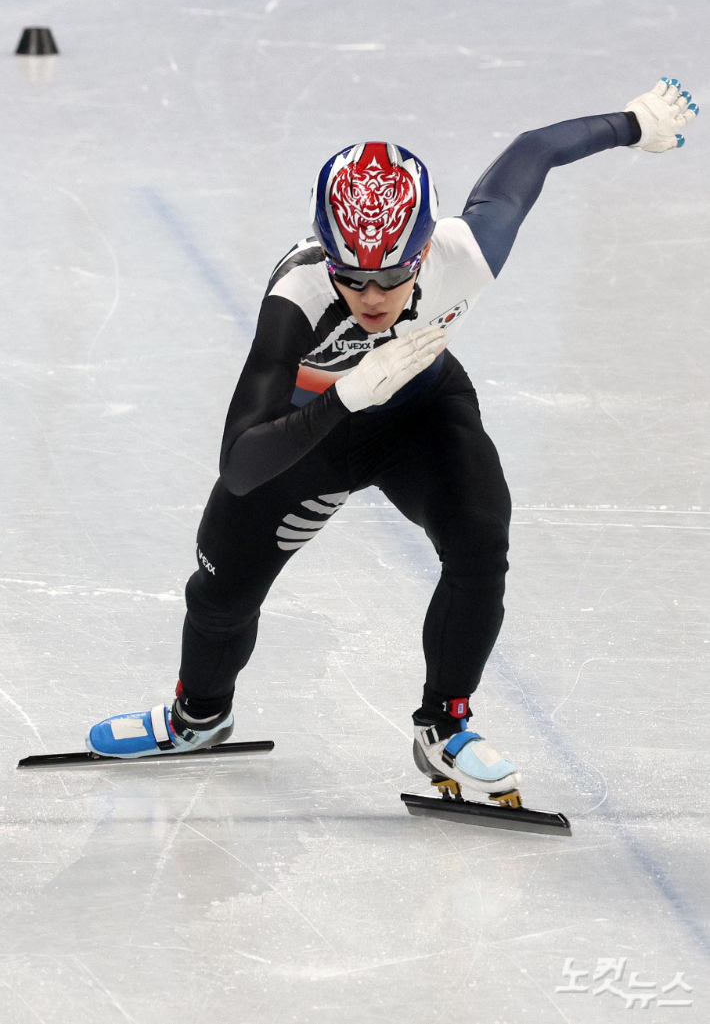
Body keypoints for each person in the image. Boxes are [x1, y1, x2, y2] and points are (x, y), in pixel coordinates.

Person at [87, 79, 698, 800]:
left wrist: (632, 123)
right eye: (352, 276)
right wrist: (344, 394)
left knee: (480, 542)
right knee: (220, 592)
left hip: (420, 415)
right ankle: (198, 715)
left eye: (392, 275)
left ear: (424, 249)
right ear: (326, 254)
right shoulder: (298, 298)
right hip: (308, 436)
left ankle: (444, 725)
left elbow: (533, 153)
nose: (372, 296)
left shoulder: (464, 252)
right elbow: (241, 463)